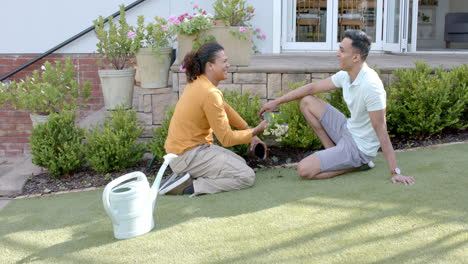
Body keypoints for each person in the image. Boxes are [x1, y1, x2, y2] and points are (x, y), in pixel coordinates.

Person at [259, 30, 415, 185]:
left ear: (355, 57)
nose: (337, 54)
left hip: (359, 148)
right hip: (348, 128)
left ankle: (357, 165)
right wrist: (276, 102)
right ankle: (331, 151)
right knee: (307, 102)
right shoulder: (346, 75)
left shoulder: (371, 86)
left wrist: (395, 172)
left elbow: (381, 129)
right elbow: (312, 88)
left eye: (342, 50)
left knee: (304, 170)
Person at [161, 42, 268, 196]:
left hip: (189, 151)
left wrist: (250, 133)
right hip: (188, 156)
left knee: (241, 164)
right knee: (246, 176)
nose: (228, 65)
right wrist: (256, 131)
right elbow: (226, 139)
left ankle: (187, 176)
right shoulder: (209, 93)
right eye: (224, 61)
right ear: (210, 65)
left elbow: (227, 109)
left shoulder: (200, 83)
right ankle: (188, 186)